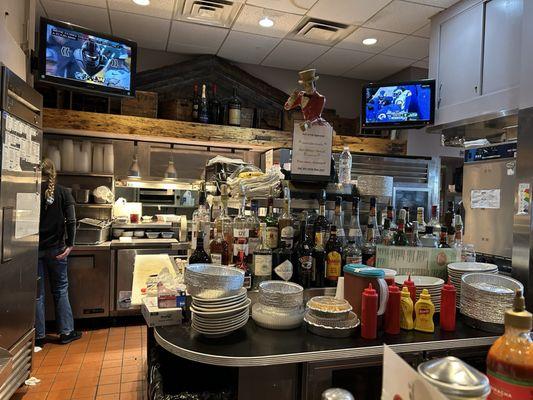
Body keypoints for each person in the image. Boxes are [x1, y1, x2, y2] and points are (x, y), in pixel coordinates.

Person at [35, 158, 81, 347]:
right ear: (54, 173)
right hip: (57, 250)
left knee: (37, 294)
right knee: (61, 290)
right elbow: (71, 221)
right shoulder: (64, 192)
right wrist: (70, 244)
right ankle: (66, 332)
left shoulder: (32, 192)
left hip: (34, 250)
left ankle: (38, 336)